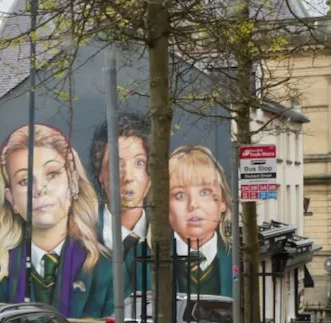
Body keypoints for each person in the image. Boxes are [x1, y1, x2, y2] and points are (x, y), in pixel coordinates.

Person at [0, 124, 113, 318]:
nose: (40, 189)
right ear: (11, 198)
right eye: (25, 181)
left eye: (52, 174)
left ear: (73, 184)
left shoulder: (107, 268)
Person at [90, 113, 152, 293]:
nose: (128, 177)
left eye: (139, 163)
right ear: (100, 174)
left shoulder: (170, 237)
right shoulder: (81, 236)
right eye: (116, 164)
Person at [168, 144, 233, 297]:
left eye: (205, 192)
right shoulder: (141, 257)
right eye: (180, 195)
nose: (193, 204)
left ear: (223, 201)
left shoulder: (238, 255)